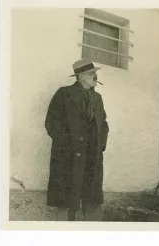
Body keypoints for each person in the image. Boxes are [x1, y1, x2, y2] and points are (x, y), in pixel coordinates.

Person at [45, 59, 109, 220]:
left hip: (92, 157)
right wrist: (68, 145)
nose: (96, 75)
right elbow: (51, 123)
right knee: (67, 200)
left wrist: (100, 145)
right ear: (80, 76)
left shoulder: (98, 98)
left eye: (95, 72)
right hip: (69, 157)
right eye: (91, 73)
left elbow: (104, 123)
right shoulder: (64, 94)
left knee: (92, 200)